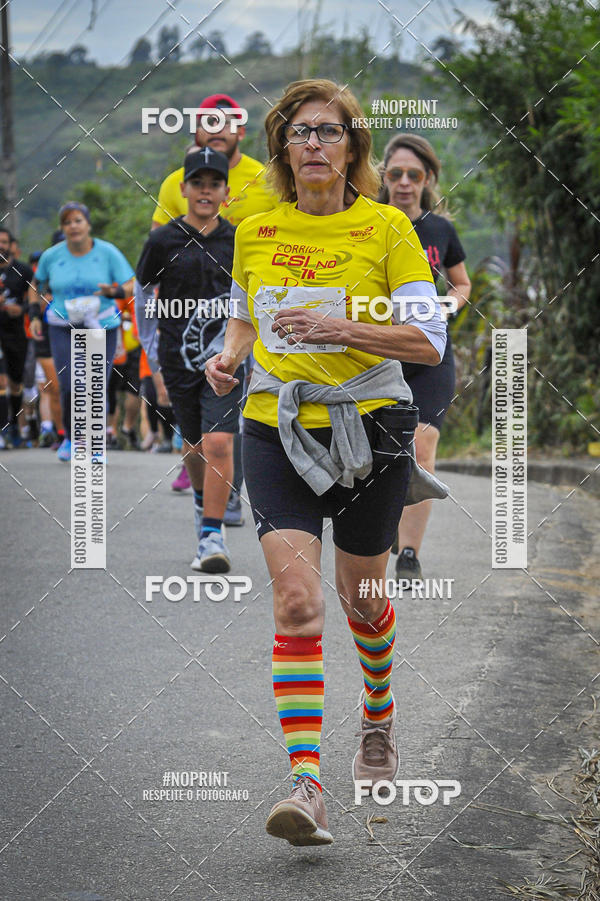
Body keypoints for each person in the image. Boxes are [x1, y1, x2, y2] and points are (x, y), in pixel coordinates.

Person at [205, 78, 448, 846]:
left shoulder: (386, 230)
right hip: (274, 427)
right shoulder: (255, 229)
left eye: (330, 131)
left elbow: (427, 341)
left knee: (364, 599)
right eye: (300, 132)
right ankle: (308, 785)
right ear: (283, 148)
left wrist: (340, 327)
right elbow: (247, 320)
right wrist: (228, 355)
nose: (314, 143)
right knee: (298, 603)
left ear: (353, 147)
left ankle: (377, 708)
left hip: (373, 428)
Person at [151, 93, 278, 514]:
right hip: (191, 325)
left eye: (226, 123)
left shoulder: (267, 178)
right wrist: (154, 345)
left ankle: (234, 493)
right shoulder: (174, 183)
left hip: (261, 308)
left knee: (239, 407)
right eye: (207, 123)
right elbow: (159, 259)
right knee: (214, 416)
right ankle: (216, 491)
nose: (216, 130)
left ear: (241, 131)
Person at [136, 147, 242, 573]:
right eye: (197, 183)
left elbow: (251, 297)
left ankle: (212, 535)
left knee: (219, 442)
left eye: (214, 183)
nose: (205, 191)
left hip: (227, 363)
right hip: (176, 360)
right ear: (183, 189)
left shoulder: (237, 240)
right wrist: (152, 358)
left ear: (225, 192)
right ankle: (203, 506)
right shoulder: (162, 240)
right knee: (195, 445)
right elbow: (143, 295)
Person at [379, 134, 471, 581]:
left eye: (413, 175)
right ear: (383, 177)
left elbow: (461, 283)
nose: (403, 182)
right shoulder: (368, 224)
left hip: (431, 354)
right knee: (382, 451)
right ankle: (384, 523)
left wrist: (447, 306)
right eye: (394, 173)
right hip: (379, 352)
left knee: (422, 442)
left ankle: (410, 553)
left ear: (427, 179)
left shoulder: (440, 230)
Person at [28, 202, 134, 461]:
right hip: (62, 324)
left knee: (96, 384)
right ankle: (71, 439)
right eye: (67, 222)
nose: (73, 226)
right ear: (62, 228)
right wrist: (33, 314)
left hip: (101, 323)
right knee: (69, 384)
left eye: (77, 221)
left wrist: (115, 292)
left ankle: (97, 445)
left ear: (88, 224)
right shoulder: (52, 255)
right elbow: (35, 283)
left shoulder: (107, 253)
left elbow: (132, 285)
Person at [0, 227, 35, 449]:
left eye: (4, 242)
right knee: (1, 381)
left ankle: (13, 425)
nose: (0, 246)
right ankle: (3, 428)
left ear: (11, 245)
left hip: (16, 333)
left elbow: (35, 299)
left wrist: (20, 309)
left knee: (14, 382)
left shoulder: (23, 271)